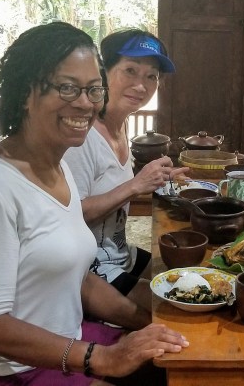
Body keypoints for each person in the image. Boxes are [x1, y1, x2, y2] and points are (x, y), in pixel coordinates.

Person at [0, 22, 187, 384]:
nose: (84, 103)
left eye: (92, 90)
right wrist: (101, 358)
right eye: (67, 88)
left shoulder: (58, 167)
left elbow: (80, 280)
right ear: (25, 92)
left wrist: (152, 322)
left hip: (65, 341)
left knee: (182, 355)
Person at [63, 29, 187, 312]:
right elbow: (69, 215)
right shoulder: (81, 137)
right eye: (130, 70)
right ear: (103, 73)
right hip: (87, 267)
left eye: (151, 76)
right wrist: (135, 185)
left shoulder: (120, 128)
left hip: (118, 253)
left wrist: (157, 181)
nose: (141, 85)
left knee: (186, 275)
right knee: (173, 311)